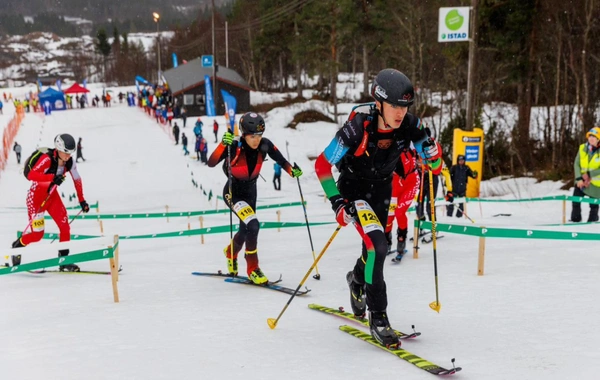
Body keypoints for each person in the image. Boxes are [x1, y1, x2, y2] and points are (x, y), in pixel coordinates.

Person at [314, 69, 442, 347]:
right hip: (354, 190)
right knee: (378, 247)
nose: (400, 113)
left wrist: (434, 156)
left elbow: (434, 165)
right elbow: (322, 166)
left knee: (374, 248)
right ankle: (379, 316)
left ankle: (356, 281)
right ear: (380, 103)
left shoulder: (411, 125)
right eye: (395, 105)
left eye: (404, 106)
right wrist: (337, 202)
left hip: (382, 190)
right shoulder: (358, 127)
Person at [208, 112, 303, 284]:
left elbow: (281, 161)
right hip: (233, 192)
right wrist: (222, 145)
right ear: (244, 135)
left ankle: (230, 252)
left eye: (259, 135)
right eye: (252, 136)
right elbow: (211, 162)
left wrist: (292, 171)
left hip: (251, 193)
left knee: (246, 230)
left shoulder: (265, 145)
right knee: (253, 225)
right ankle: (253, 268)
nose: (256, 140)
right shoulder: (234, 145)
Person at [10, 134, 91, 271]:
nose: (68, 156)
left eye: (70, 153)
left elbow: (77, 179)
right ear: (58, 149)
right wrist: (52, 177)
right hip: (36, 199)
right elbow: (31, 175)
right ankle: (18, 245)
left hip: (52, 197)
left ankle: (63, 261)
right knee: (37, 235)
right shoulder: (47, 159)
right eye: (65, 153)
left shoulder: (70, 162)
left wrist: (82, 200)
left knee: (65, 227)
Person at [385, 148, 419, 255]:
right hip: (395, 182)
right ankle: (386, 238)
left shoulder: (411, 142)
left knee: (399, 212)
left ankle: (401, 238)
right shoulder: (390, 142)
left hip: (410, 182)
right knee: (389, 215)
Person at [571, 126, 600, 222]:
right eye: (590, 136)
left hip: (596, 183)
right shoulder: (583, 148)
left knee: (594, 205)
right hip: (582, 181)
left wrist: (589, 174)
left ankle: (592, 220)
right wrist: (579, 178)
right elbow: (576, 163)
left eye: (594, 137)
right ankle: (575, 219)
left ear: (598, 139)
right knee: (575, 200)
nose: (591, 139)